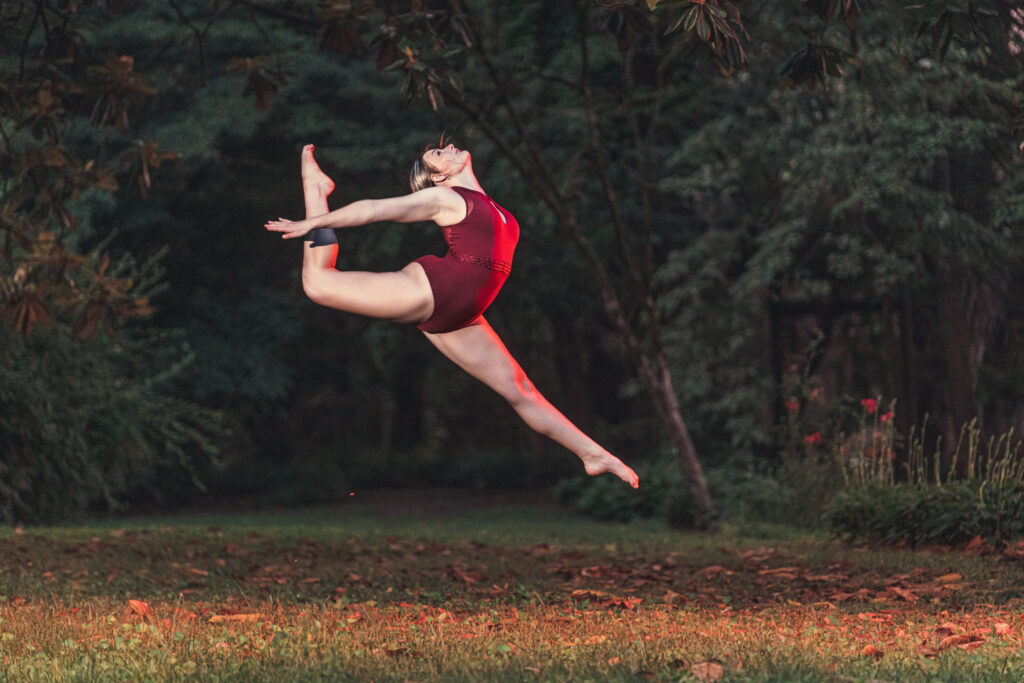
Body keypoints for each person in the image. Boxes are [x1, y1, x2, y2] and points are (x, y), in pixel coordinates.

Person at [265, 143, 638, 489]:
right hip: (435, 289)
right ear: (440, 176)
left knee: (521, 390)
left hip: (461, 314)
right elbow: (374, 209)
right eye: (439, 154)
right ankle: (315, 189)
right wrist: (311, 224)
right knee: (318, 284)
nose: (449, 147)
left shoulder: (493, 206)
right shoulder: (444, 197)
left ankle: (592, 454)